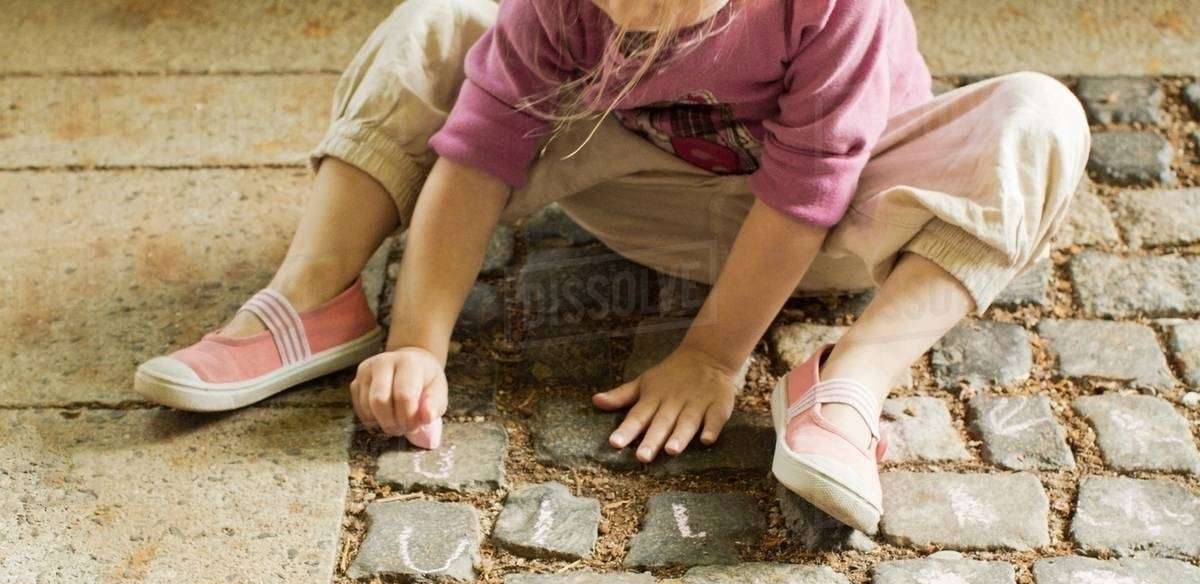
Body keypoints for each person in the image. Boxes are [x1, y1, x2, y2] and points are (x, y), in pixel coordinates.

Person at [134, 0, 1090, 533]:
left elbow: (806, 194)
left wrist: (714, 355)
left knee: (1040, 117)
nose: (633, 21)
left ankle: (847, 382)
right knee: (436, 19)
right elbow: (474, 161)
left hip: (833, 230)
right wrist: (422, 343)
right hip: (633, 186)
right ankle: (320, 295)